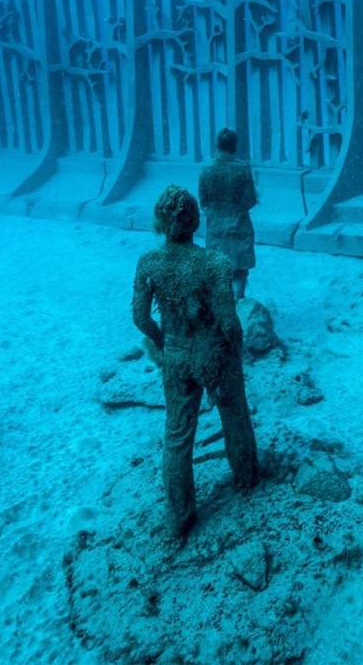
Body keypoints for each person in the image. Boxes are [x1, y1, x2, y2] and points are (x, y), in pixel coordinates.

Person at [132, 186, 259, 540]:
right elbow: (229, 322)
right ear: (195, 220)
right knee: (234, 415)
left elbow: (141, 319)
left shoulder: (149, 264)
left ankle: (179, 514)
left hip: (175, 356)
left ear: (160, 222)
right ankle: (246, 477)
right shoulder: (214, 264)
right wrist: (236, 350)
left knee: (177, 435)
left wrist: (165, 342)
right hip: (213, 353)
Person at [198, 128, 258, 300]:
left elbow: (203, 200)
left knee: (218, 268)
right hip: (239, 225)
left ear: (217, 145)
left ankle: (220, 305)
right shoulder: (243, 169)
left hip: (215, 226)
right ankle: (238, 301)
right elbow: (250, 200)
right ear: (234, 146)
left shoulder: (206, 169)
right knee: (239, 268)